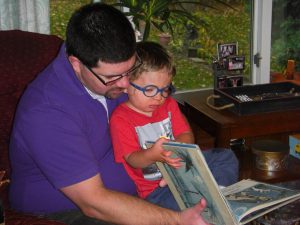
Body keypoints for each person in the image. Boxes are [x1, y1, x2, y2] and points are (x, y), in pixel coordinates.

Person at [9, 3, 211, 225]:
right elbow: (94, 202)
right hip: (69, 209)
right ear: (76, 64)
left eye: (129, 70)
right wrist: (176, 220)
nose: (125, 85)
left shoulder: (107, 75)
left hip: (142, 184)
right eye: (113, 77)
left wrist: (172, 166)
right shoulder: (47, 112)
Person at [110, 42, 239, 211]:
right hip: (158, 190)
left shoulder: (168, 104)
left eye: (165, 89)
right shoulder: (120, 118)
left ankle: (218, 194)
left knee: (226, 156)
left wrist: (178, 151)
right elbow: (133, 159)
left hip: (185, 169)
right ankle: (205, 204)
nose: (158, 98)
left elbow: (186, 133)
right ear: (127, 85)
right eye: (149, 89)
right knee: (180, 208)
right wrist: (153, 154)